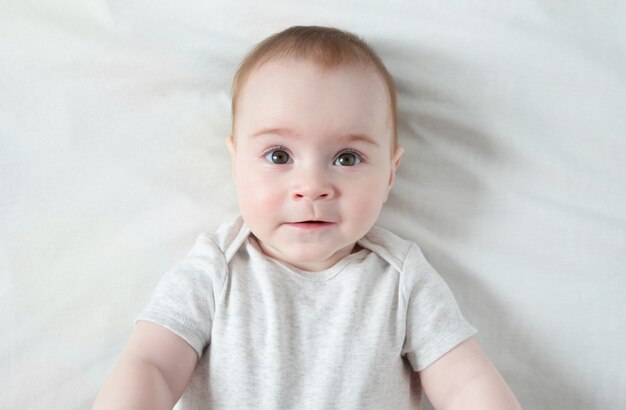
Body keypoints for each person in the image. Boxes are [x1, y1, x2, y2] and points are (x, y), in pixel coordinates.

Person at [93, 26, 521, 409]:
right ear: (236, 164)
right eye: (279, 155)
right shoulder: (215, 269)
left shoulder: (401, 279)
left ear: (390, 174)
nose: (312, 185)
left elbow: (465, 382)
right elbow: (152, 364)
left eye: (347, 157)